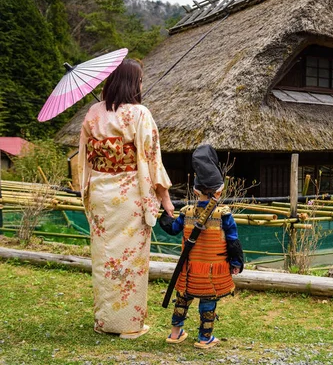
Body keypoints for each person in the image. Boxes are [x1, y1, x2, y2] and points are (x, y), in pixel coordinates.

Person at [78, 59, 174, 339]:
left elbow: (86, 155)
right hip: (129, 194)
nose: (142, 85)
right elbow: (152, 160)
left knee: (104, 258)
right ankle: (128, 325)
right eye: (140, 80)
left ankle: (105, 320)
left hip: (100, 193)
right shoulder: (140, 114)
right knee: (130, 261)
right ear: (133, 83)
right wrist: (165, 200)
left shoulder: (93, 113)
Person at [159, 144, 244, 349]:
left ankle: (175, 333)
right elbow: (232, 241)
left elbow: (172, 229)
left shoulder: (186, 211)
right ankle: (205, 338)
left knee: (182, 299)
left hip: (188, 268)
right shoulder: (224, 214)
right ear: (220, 189)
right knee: (208, 301)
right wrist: (236, 262)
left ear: (196, 190)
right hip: (212, 269)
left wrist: (165, 215)